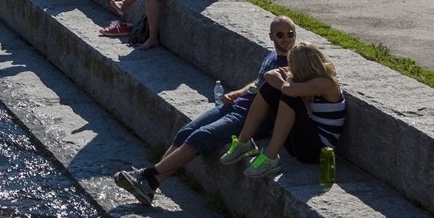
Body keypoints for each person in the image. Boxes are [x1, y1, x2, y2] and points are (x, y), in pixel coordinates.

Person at [113, 16, 299, 206]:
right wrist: (238, 92)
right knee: (186, 130)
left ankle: (146, 174)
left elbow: (286, 90)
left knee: (201, 136)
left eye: (290, 34)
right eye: (280, 34)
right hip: (235, 105)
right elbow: (259, 81)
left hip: (250, 117)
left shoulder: (293, 65)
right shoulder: (271, 57)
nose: (286, 38)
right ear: (271, 36)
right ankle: (151, 185)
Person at [220, 42, 347, 180]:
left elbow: (288, 90)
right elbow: (269, 75)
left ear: (301, 66)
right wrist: (291, 87)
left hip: (317, 152)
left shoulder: (327, 83)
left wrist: (290, 79)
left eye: (292, 64)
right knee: (269, 88)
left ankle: (270, 157)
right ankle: (243, 142)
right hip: (298, 144)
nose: (290, 68)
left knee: (289, 96)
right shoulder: (305, 78)